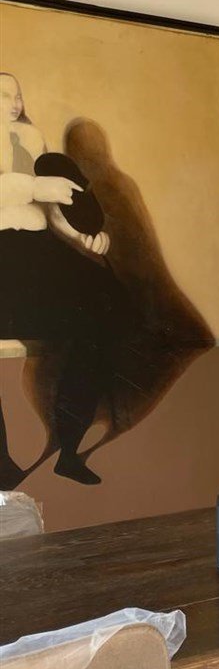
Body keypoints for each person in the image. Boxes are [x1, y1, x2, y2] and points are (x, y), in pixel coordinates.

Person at [0, 73, 130, 486]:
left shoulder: (31, 140)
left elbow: (55, 209)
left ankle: (69, 449)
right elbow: (32, 191)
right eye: (4, 95)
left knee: (103, 315)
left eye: (19, 95)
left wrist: (85, 235)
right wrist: (35, 185)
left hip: (37, 250)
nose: (15, 102)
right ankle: (0, 463)